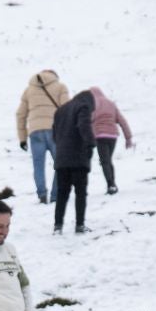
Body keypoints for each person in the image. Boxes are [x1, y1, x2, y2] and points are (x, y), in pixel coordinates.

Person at [15, 69, 70, 205]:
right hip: (55, 130)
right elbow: (67, 110)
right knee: (60, 164)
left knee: (38, 166)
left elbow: (20, 114)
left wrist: (22, 138)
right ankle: (55, 195)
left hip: (35, 132)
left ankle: (42, 194)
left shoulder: (29, 90)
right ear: (54, 76)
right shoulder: (60, 87)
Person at [50, 87, 96, 234]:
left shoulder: (60, 110)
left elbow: (55, 135)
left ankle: (58, 226)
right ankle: (79, 225)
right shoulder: (83, 106)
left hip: (62, 160)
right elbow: (84, 125)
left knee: (62, 193)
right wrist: (90, 144)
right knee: (80, 193)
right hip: (78, 158)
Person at [90, 86, 133, 196]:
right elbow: (122, 121)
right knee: (108, 160)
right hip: (112, 136)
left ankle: (111, 185)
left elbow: (90, 120)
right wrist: (128, 138)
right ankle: (112, 184)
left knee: (105, 161)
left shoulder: (93, 104)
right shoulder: (111, 104)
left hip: (100, 136)